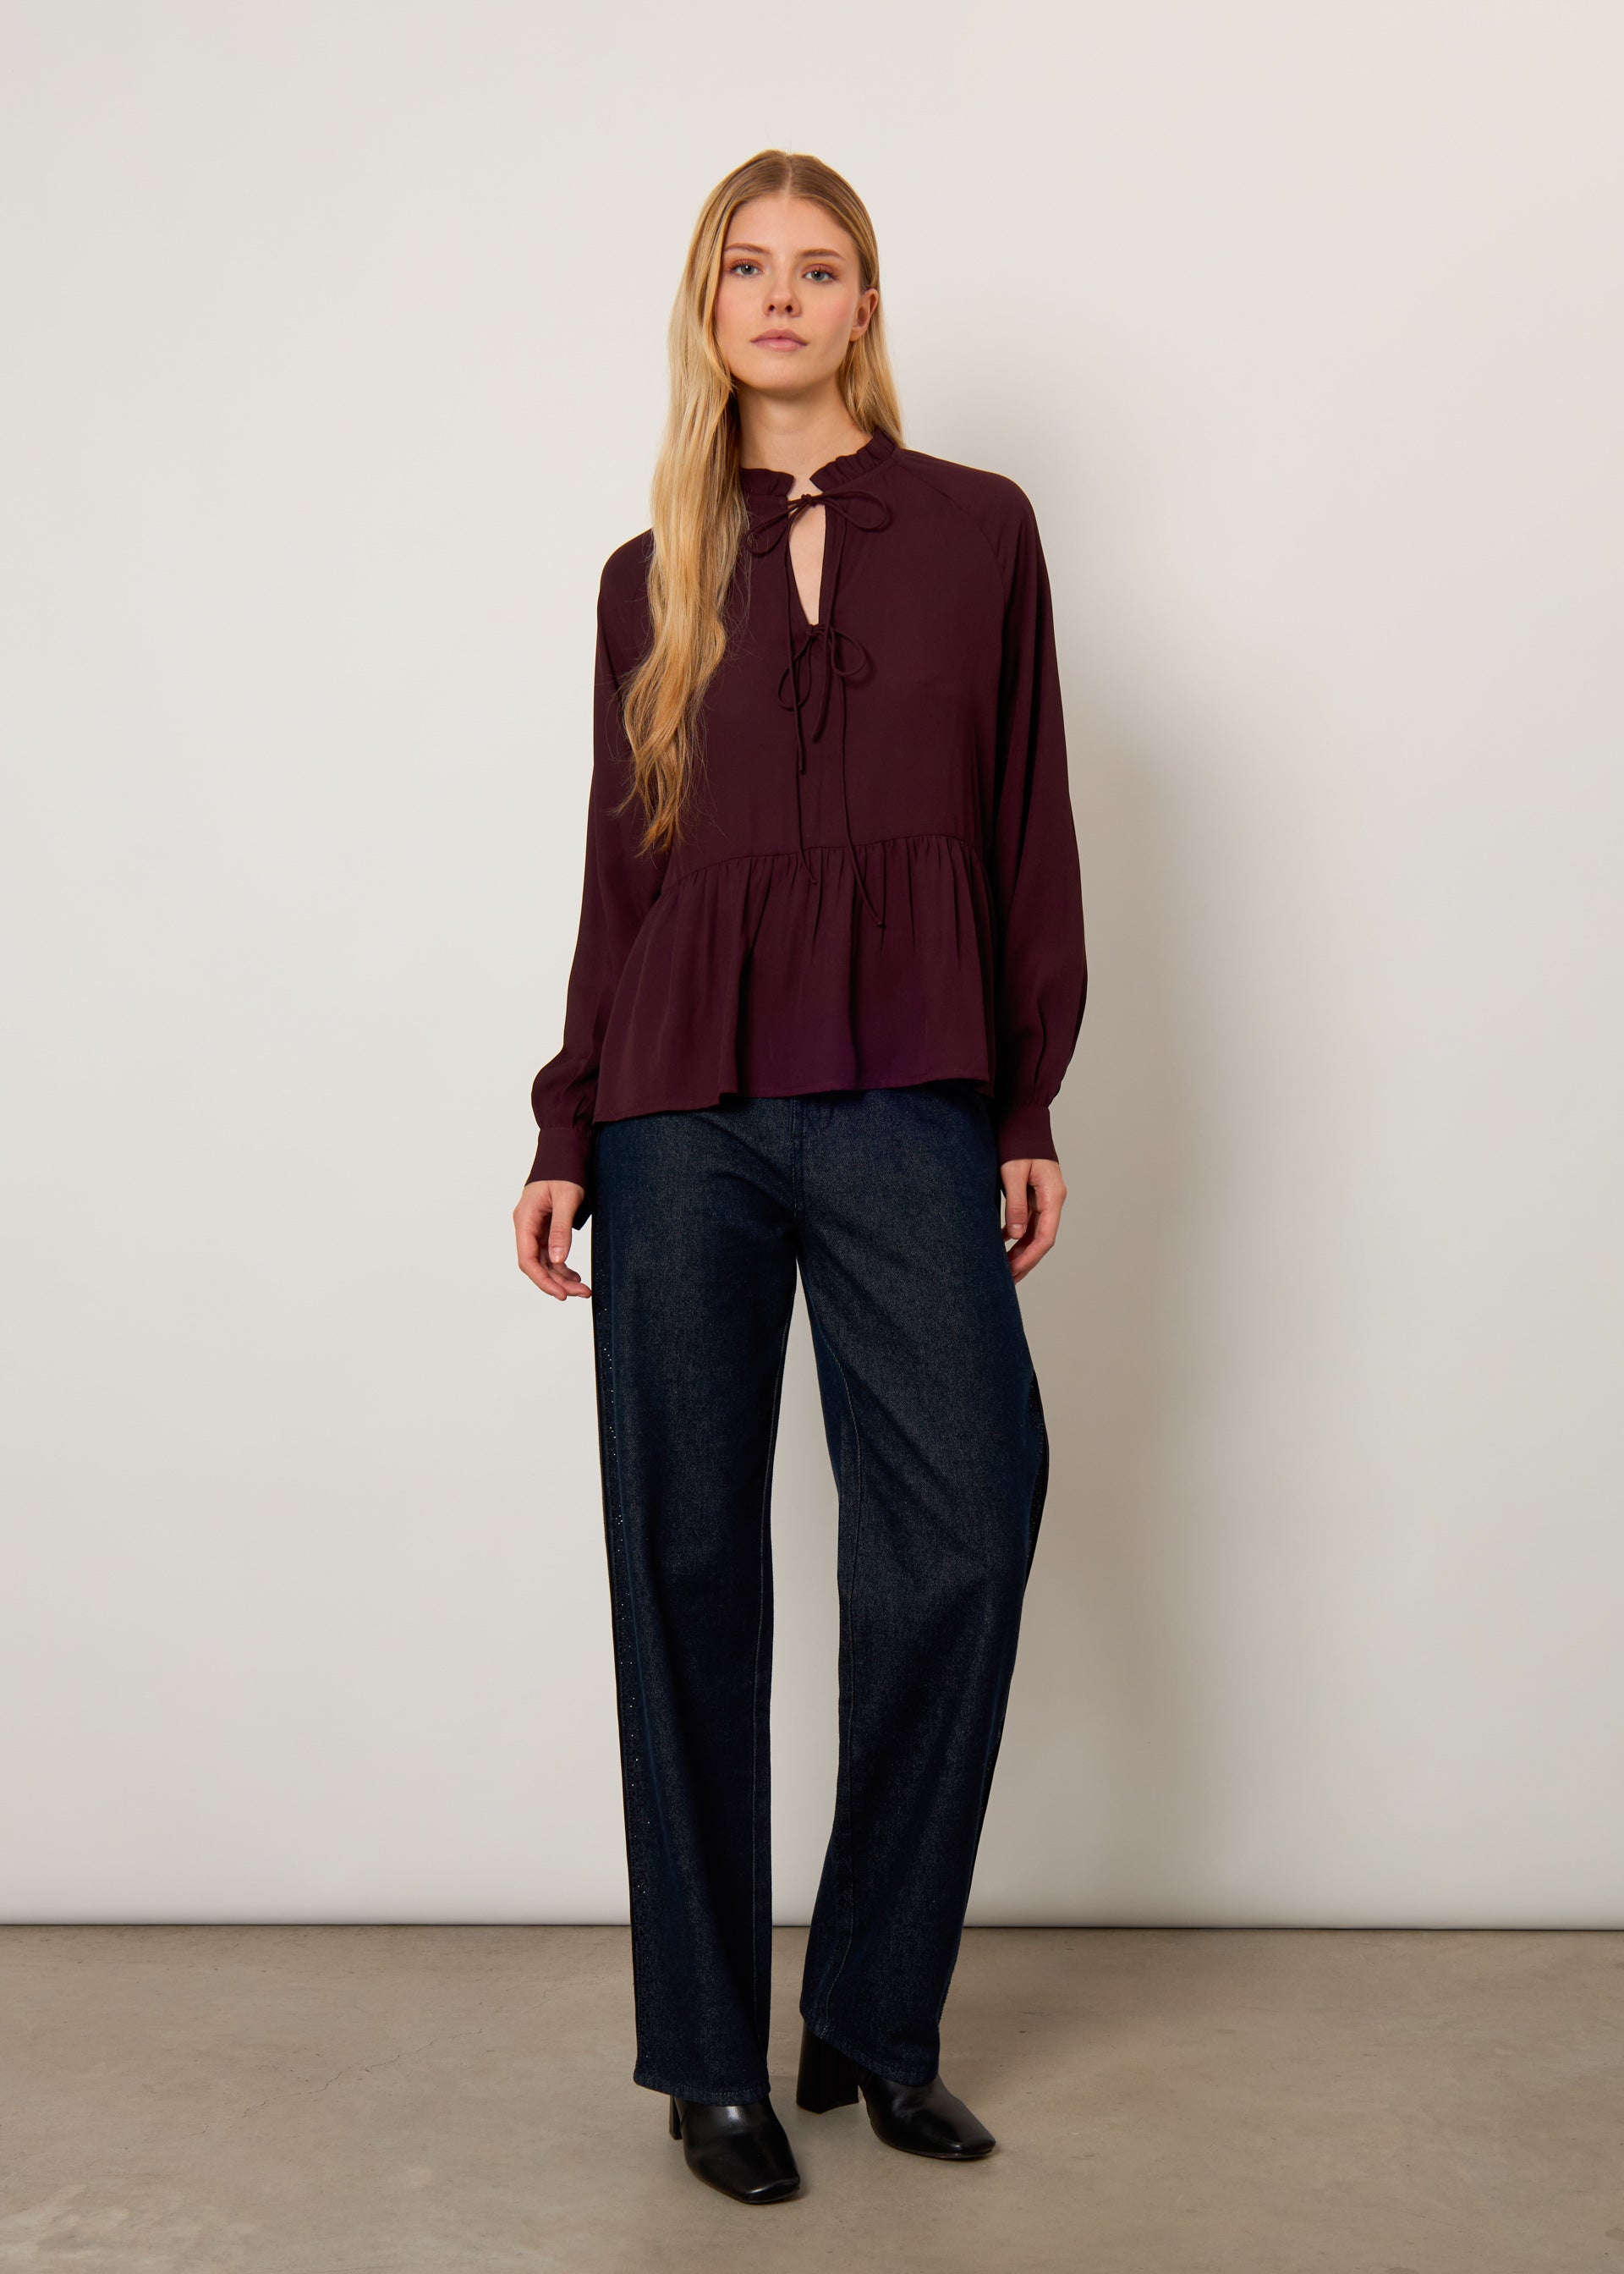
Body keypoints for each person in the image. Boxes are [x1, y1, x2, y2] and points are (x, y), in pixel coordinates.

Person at [513, 148, 1087, 2205]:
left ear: (864, 305)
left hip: (907, 1087)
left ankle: (871, 2013)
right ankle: (709, 2063)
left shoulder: (982, 529)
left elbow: (1026, 814)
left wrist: (1023, 1100)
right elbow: (622, 869)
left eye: (818, 266)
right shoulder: (647, 569)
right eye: (746, 267)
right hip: (679, 1108)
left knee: (968, 1521)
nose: (781, 295)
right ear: (709, 306)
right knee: (683, 1556)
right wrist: (568, 1121)